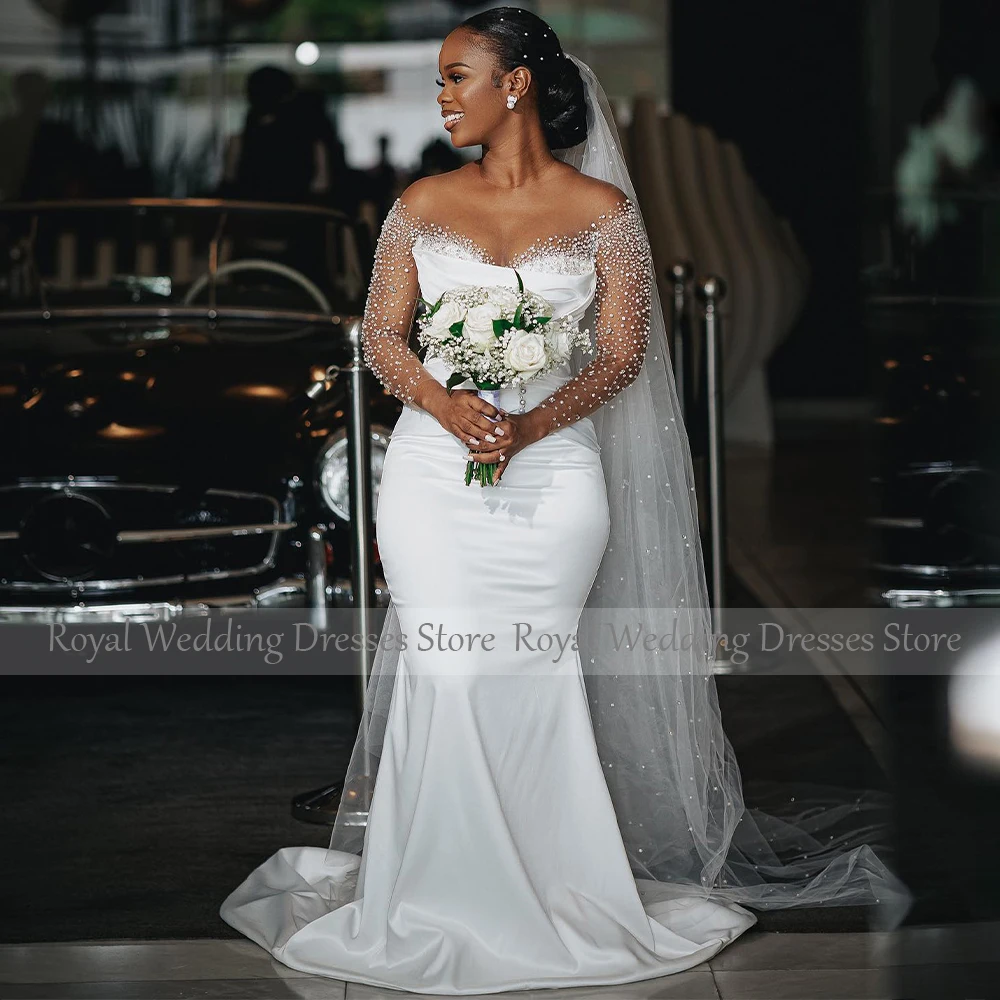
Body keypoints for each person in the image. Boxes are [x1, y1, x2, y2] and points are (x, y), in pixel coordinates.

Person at [220, 7, 908, 992]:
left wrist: (530, 425)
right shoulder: (419, 201)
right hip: (428, 470)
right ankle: (432, 893)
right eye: (440, 80)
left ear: (516, 88)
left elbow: (623, 352)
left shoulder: (600, 210)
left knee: (532, 672)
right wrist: (450, 407)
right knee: (446, 672)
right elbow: (380, 339)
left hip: (552, 477)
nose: (443, 96)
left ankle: (554, 885)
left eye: (459, 76)